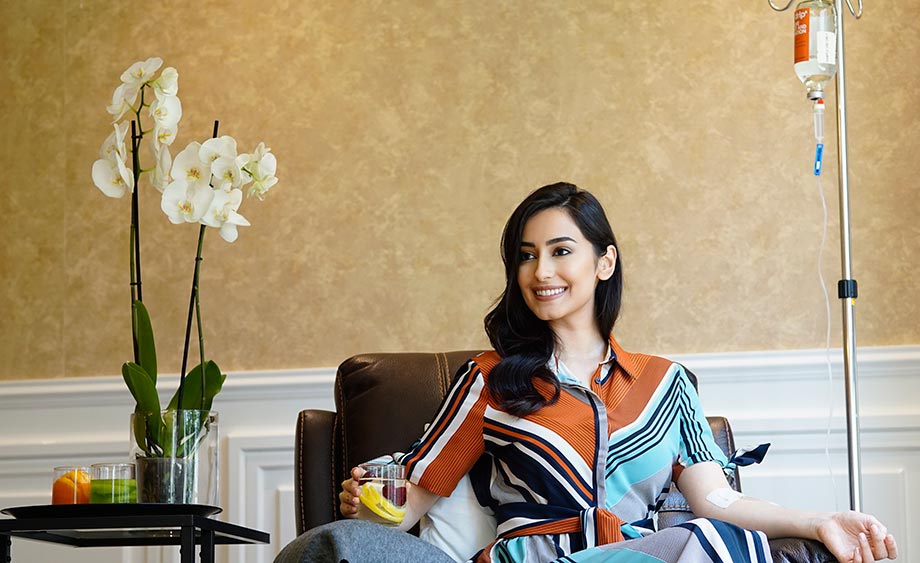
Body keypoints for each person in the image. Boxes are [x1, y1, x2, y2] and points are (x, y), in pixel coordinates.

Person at [301, 183, 898, 563]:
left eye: (561, 250)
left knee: (720, 539)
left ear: (603, 261)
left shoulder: (665, 383)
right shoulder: (491, 378)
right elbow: (409, 505)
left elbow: (715, 499)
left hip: (634, 554)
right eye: (527, 256)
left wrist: (820, 520)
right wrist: (369, 504)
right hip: (528, 559)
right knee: (341, 545)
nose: (541, 271)